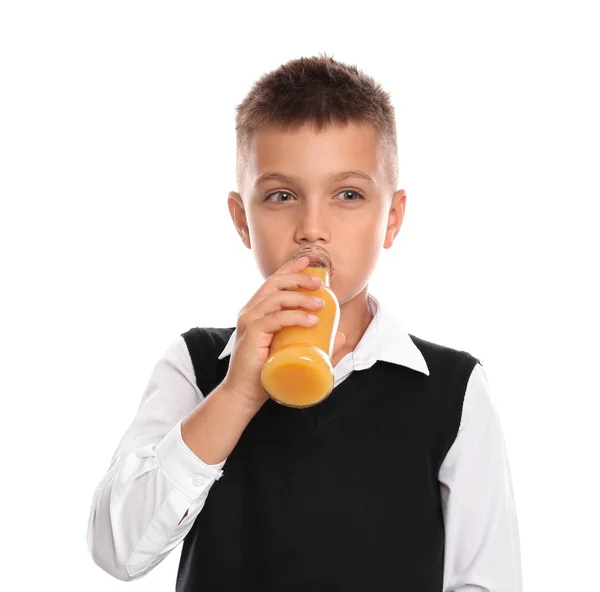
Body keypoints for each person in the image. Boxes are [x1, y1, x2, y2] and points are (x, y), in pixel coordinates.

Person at [87, 53, 522, 591]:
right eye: (281, 196)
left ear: (392, 218)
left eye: (348, 195)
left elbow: (486, 581)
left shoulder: (452, 389)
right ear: (242, 220)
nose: (312, 229)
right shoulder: (197, 366)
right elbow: (116, 550)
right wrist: (238, 393)